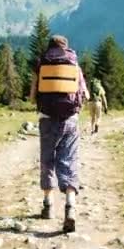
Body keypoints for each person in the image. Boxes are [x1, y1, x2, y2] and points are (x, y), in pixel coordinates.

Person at [29, 35, 89, 233]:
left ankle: (48, 205)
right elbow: (86, 95)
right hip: (70, 120)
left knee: (47, 159)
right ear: (66, 48)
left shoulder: (41, 64)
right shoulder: (74, 65)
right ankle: (70, 205)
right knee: (69, 160)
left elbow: (31, 97)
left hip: (46, 119)